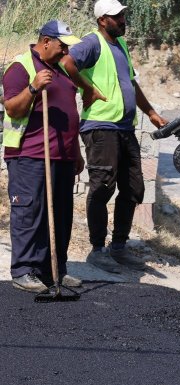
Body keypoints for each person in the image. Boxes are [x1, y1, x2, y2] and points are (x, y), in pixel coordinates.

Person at [60, 0, 166, 273]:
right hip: (101, 126)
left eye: (123, 16)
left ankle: (118, 247)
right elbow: (67, 61)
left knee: (133, 188)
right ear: (102, 20)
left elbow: (131, 82)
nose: (122, 20)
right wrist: (87, 88)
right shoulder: (92, 43)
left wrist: (151, 112)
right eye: (117, 17)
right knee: (102, 187)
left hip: (124, 128)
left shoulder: (120, 46)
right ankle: (97, 249)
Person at [2, 21, 85, 292]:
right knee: (30, 213)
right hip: (29, 156)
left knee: (61, 216)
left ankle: (54, 271)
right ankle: (24, 270)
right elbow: (12, 108)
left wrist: (76, 152)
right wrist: (34, 88)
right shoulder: (21, 67)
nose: (65, 51)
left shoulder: (60, 69)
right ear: (46, 41)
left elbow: (70, 115)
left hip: (61, 157)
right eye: (62, 46)